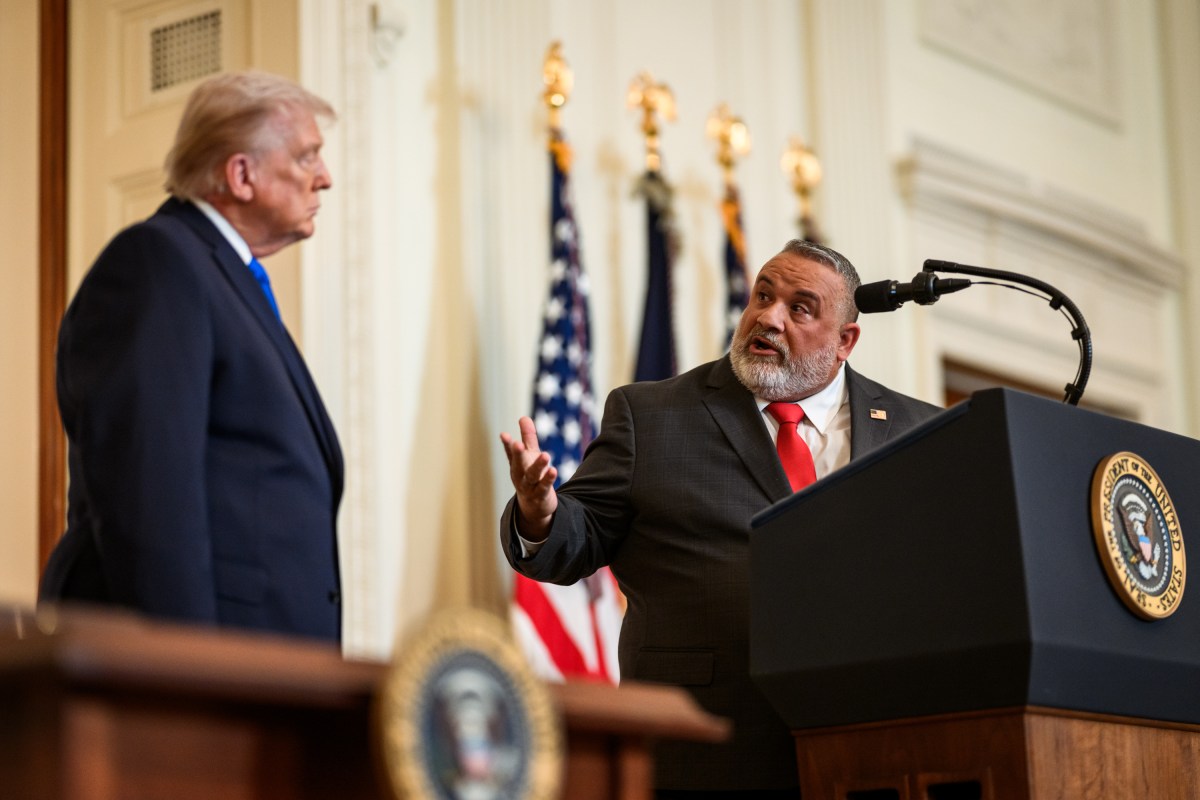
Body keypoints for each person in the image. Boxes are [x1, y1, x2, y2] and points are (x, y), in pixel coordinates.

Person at [499, 239, 942, 797]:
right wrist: (540, 512)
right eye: (763, 295)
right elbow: (577, 538)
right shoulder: (651, 415)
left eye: (799, 307)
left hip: (872, 746)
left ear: (845, 340)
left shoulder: (915, 429)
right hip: (703, 744)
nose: (768, 317)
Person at [39, 71, 344, 643]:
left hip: (270, 668)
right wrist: (190, 679)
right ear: (241, 174)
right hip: (203, 673)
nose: (324, 179)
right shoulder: (157, 264)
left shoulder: (225, 279)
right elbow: (150, 502)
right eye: (308, 158)